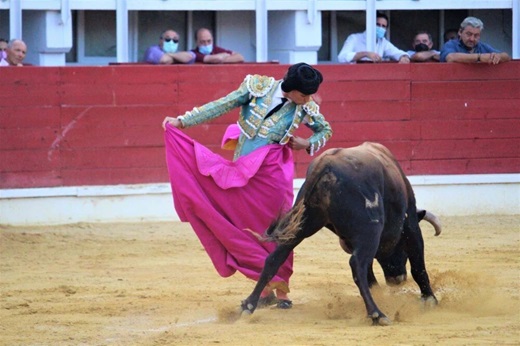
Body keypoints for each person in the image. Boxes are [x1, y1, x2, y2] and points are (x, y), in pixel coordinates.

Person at [162, 63, 332, 309]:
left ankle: (282, 290)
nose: (308, 99)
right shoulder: (257, 87)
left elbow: (325, 130)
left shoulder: (305, 107)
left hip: (273, 173)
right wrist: (182, 121)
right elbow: (222, 105)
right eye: (304, 95)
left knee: (280, 227)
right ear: (291, 89)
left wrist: (307, 142)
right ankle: (264, 288)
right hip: (243, 168)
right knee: (245, 226)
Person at [338, 12, 410, 64]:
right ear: (370, 24)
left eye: (383, 26)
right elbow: (341, 57)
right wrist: (365, 54)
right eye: (377, 24)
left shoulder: (383, 42)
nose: (380, 28)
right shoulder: (354, 38)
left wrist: (404, 57)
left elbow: (396, 52)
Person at [440, 17, 511, 64]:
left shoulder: (481, 46)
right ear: (460, 32)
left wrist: (497, 56)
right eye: (468, 34)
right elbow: (450, 58)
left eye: (476, 35)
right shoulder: (451, 44)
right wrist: (479, 57)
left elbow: (507, 56)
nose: (472, 39)